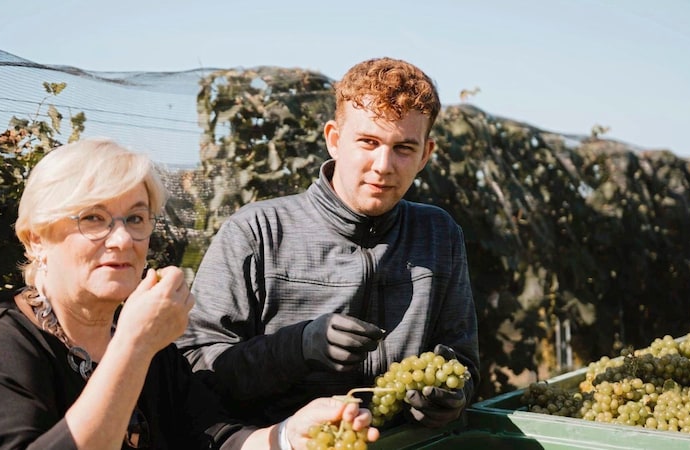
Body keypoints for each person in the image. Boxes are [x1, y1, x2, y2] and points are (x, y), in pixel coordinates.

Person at [0, 138, 379, 449]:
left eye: (135, 218)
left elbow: (212, 436)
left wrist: (288, 436)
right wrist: (134, 346)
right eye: (94, 218)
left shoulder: (146, 344)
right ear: (36, 238)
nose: (122, 239)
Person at [178, 57, 480, 429]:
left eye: (403, 148)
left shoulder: (439, 234)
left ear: (425, 155)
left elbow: (462, 362)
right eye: (368, 142)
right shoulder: (258, 232)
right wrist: (298, 347)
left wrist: (452, 396)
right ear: (334, 140)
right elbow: (197, 364)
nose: (384, 165)